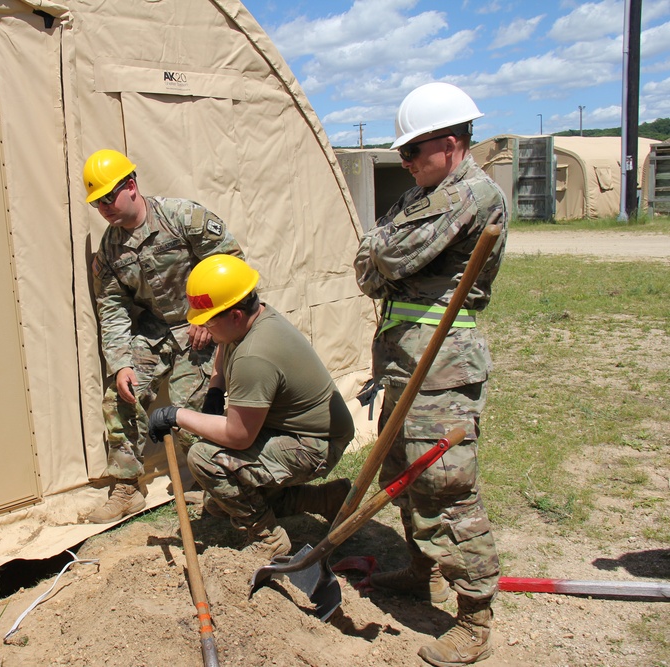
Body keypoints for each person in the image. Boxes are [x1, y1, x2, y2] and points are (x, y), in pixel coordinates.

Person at [354, 82, 507, 667]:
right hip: (402, 359)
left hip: (440, 366)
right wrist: (379, 251)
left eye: (412, 153)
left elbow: (384, 258)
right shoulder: (426, 194)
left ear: (447, 143)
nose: (406, 163)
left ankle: (474, 617)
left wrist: (379, 251)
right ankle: (425, 569)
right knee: (402, 474)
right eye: (403, 155)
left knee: (445, 485)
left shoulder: (472, 195)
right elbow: (368, 260)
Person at [147, 254, 355, 559]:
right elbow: (224, 345)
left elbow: (239, 436)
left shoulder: (254, 355)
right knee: (220, 503)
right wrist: (216, 389)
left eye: (208, 320)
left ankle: (268, 537)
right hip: (294, 428)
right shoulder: (252, 316)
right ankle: (325, 499)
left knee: (205, 458)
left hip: (315, 445)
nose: (203, 328)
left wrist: (176, 414)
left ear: (234, 316)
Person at [83, 149, 245, 524]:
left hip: (203, 326)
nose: (104, 207)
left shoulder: (182, 217)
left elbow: (230, 261)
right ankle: (126, 488)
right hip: (157, 331)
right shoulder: (109, 249)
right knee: (119, 394)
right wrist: (121, 362)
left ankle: (213, 486)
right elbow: (112, 308)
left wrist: (210, 316)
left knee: (195, 406)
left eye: (109, 196)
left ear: (132, 186)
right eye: (97, 202)